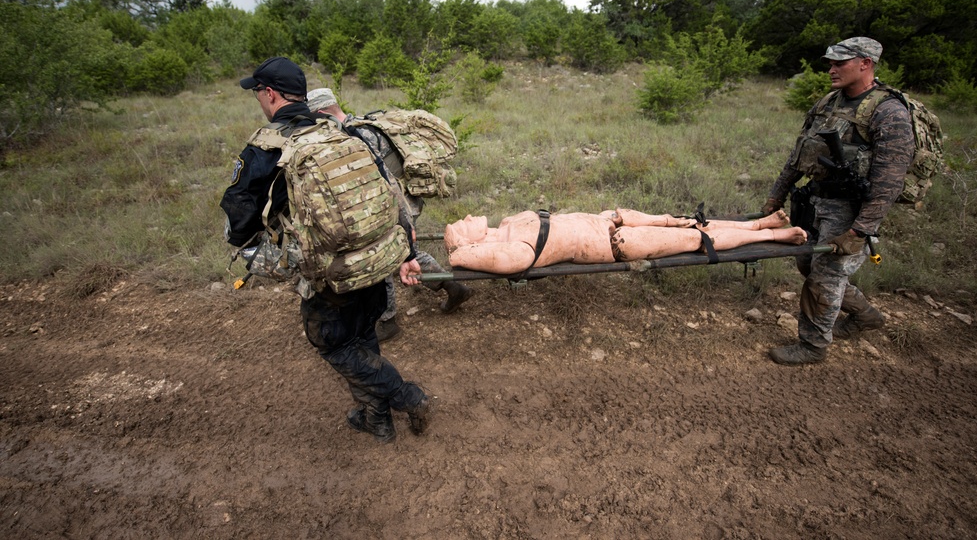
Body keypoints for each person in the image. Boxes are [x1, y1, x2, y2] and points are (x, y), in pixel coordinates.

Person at [220, 58, 432, 443]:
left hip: (331, 276)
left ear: (269, 95)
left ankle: (407, 396)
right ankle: (376, 418)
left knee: (333, 343)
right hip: (374, 262)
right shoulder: (344, 134)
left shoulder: (268, 148)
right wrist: (407, 253)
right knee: (362, 336)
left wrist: (259, 249)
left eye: (258, 92)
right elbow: (391, 195)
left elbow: (239, 216)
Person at [762, 37, 915, 365]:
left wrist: (859, 231)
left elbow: (889, 182)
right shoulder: (827, 103)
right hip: (815, 201)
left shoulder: (888, 112)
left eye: (839, 63)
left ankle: (813, 345)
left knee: (826, 275)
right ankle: (865, 315)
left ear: (865, 63)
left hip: (851, 211)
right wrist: (776, 195)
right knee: (807, 264)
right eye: (829, 63)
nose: (831, 69)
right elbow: (798, 154)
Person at [307, 88, 473, 342]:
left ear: (320, 114)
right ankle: (452, 287)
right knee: (408, 251)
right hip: (404, 201)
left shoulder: (352, 137)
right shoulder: (366, 124)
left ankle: (387, 320)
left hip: (394, 206)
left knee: (382, 259)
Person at [444, 208, 808, 274]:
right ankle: (775, 234)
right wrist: (460, 252)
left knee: (685, 222)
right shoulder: (512, 252)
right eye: (463, 224)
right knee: (698, 239)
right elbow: (462, 259)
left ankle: (759, 223)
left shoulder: (506, 224)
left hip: (605, 221)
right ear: (471, 242)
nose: (468, 217)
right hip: (620, 243)